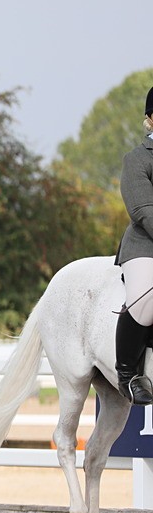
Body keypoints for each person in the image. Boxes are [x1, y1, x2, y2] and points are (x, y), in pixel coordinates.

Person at [113, 85, 153, 404]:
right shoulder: (137, 159)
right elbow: (143, 210)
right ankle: (128, 373)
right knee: (145, 297)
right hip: (145, 245)